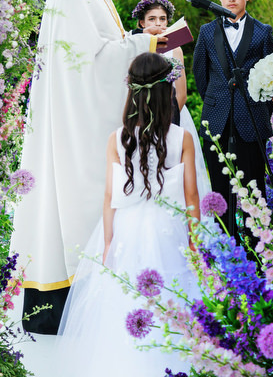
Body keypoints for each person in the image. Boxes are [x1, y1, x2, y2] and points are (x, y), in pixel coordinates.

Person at [11, 0, 167, 334]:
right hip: (75, 131)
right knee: (72, 217)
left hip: (82, 124)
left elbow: (103, 53)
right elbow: (90, 65)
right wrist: (150, 44)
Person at [54, 52, 199, 377]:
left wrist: (108, 243)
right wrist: (195, 241)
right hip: (169, 229)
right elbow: (191, 196)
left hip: (128, 229)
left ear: (132, 92)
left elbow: (110, 197)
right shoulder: (181, 138)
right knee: (171, 297)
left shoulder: (117, 139)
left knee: (127, 301)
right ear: (166, 90)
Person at [193, 0, 273, 238]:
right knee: (221, 191)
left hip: (252, 122)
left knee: (253, 189)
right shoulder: (207, 32)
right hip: (217, 121)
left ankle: (257, 250)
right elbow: (201, 76)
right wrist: (219, 101)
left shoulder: (262, 32)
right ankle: (225, 248)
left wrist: (259, 110)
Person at [132, 0, 211, 201]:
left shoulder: (175, 48)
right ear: (142, 23)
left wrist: (166, 120)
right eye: (152, 19)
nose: (158, 24)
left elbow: (182, 93)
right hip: (142, 117)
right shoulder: (134, 47)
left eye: (163, 19)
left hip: (173, 115)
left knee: (176, 172)